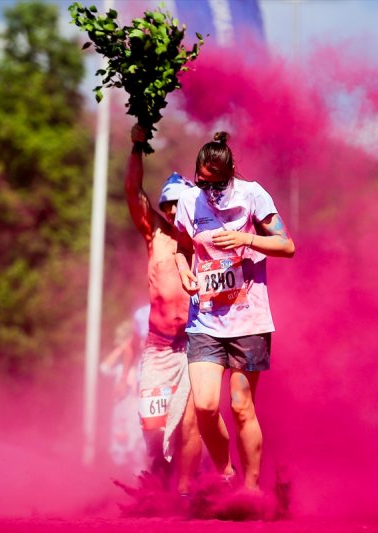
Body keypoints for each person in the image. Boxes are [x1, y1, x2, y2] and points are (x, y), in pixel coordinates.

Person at [174, 131, 295, 491]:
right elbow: (182, 248)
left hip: (249, 320)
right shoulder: (188, 201)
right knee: (206, 407)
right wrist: (183, 270)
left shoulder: (252, 194)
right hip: (205, 320)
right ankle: (226, 473)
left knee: (241, 406)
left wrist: (247, 239)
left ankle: (252, 488)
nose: (210, 191)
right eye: (203, 182)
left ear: (231, 175)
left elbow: (287, 246)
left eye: (218, 184)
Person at [124, 124, 205, 495]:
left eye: (179, 205)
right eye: (168, 205)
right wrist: (137, 148)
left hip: (194, 345)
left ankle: (192, 486)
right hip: (158, 348)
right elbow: (132, 192)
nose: (173, 212)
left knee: (190, 423)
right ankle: (158, 480)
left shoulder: (203, 240)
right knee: (153, 427)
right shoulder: (154, 233)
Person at [100, 304, 149, 469]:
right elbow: (104, 368)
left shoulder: (142, 365)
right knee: (121, 451)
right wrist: (120, 349)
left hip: (138, 413)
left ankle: (142, 480)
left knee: (138, 447)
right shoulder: (122, 369)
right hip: (122, 416)